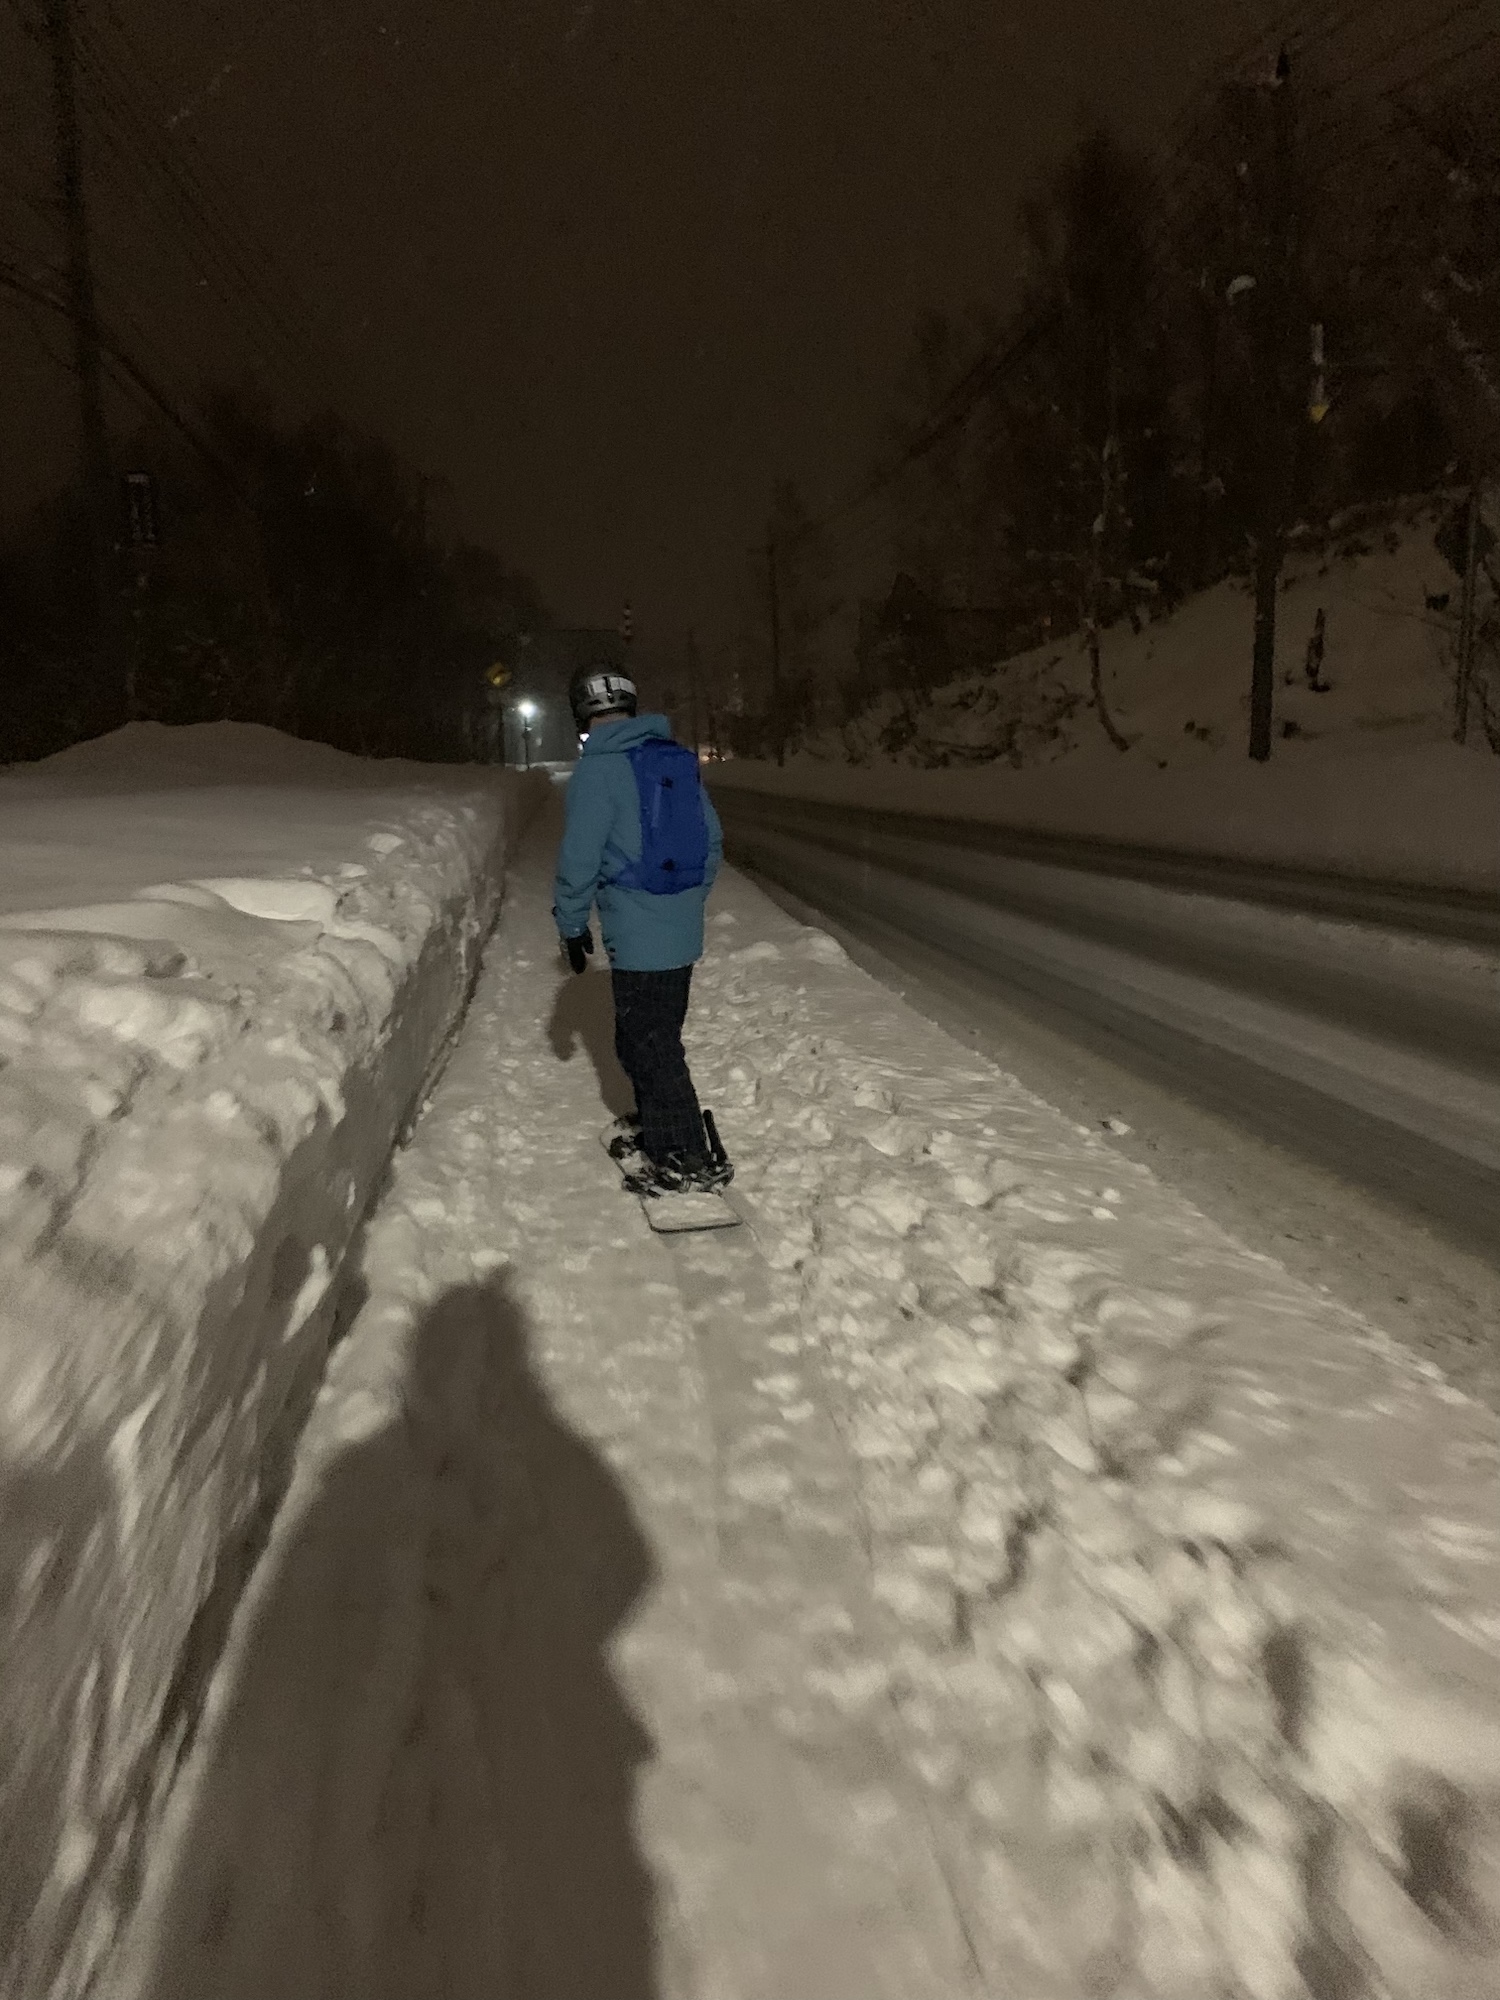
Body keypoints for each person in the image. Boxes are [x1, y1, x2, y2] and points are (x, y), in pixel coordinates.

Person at [552, 665, 732, 1196]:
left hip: (636, 933)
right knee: (651, 1036)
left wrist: (570, 923)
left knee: (649, 1045)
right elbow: (712, 842)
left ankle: (685, 1157)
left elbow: (579, 858)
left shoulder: (597, 771)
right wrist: (685, 903)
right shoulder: (674, 760)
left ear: (582, 715)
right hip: (680, 930)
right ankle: (663, 1126)